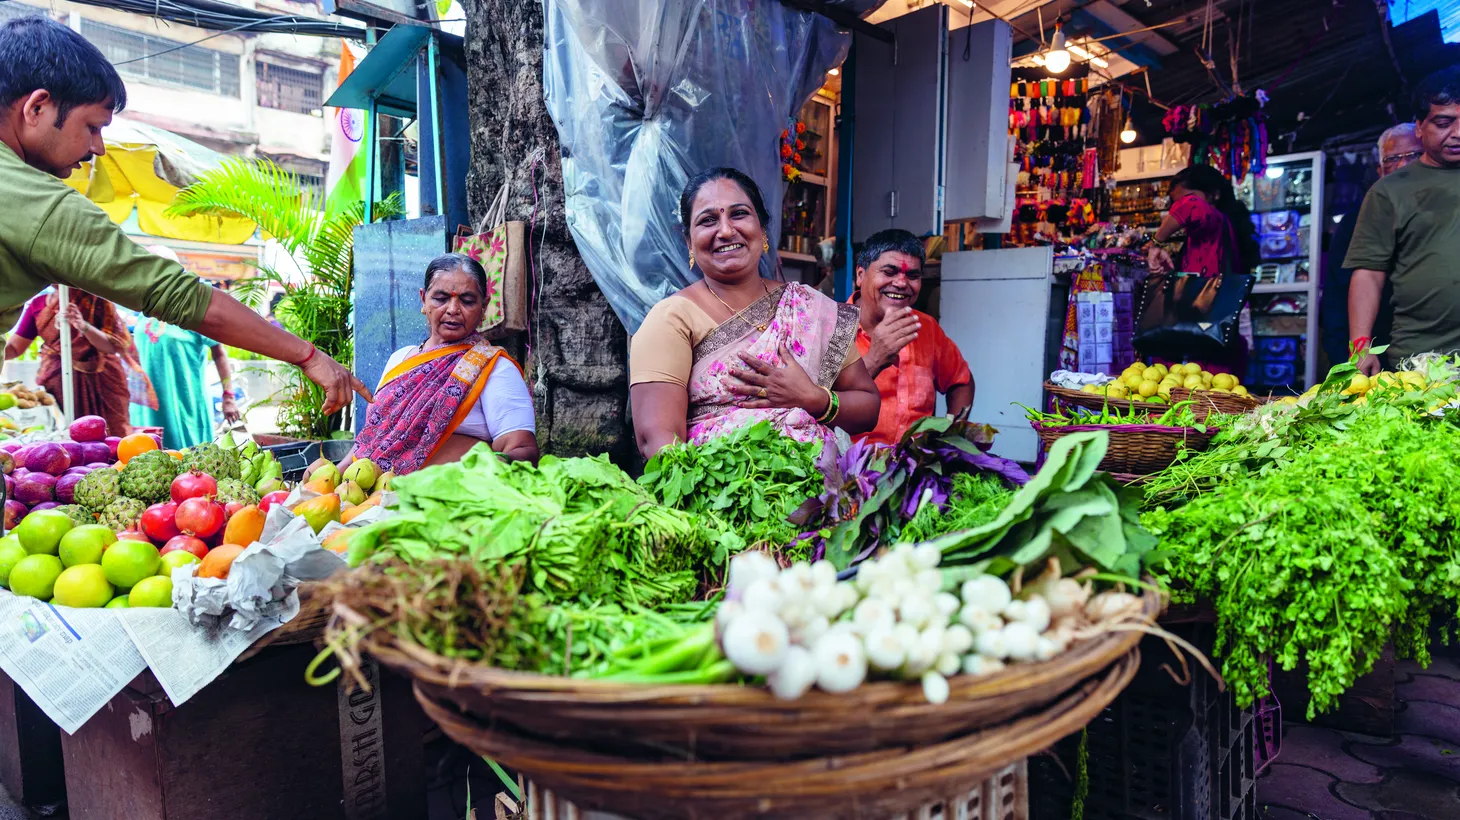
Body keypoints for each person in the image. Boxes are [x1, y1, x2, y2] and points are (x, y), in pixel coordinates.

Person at [0, 17, 368, 415]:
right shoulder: (35, 201)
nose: (99, 148)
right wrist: (307, 356)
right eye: (92, 127)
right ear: (37, 107)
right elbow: (179, 295)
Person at [630, 167, 879, 458]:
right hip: (717, 495)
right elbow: (657, 440)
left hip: (821, 494)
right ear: (689, 242)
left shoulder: (810, 308)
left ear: (762, 230)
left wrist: (813, 399)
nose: (725, 231)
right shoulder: (672, 319)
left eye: (738, 214)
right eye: (708, 220)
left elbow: (868, 407)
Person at [344, 253, 538, 474]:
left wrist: (460, 481)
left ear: (484, 306)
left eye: (467, 301)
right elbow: (375, 439)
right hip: (375, 496)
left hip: (451, 501)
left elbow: (523, 452)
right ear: (423, 300)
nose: (453, 309)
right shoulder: (399, 359)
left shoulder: (495, 368)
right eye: (440, 298)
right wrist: (335, 473)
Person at [1347, 66, 1460, 375]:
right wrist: (1360, 347)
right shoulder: (1390, 191)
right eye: (1444, 122)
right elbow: (1369, 272)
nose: (1458, 133)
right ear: (1420, 127)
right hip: (1421, 362)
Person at [851, 229, 973, 446]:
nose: (901, 283)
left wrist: (951, 433)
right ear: (861, 275)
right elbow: (816, 404)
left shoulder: (926, 328)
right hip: (849, 469)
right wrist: (874, 359)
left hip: (916, 469)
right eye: (889, 272)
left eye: (913, 275)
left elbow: (961, 382)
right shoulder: (829, 325)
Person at [1319, 124, 1421, 368]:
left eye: (1414, 156)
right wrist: (1350, 353)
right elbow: (1338, 293)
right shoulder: (1357, 220)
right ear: (1380, 169)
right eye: (1393, 159)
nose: (1403, 166)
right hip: (1373, 352)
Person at [1143, 163, 1260, 375]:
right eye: (1174, 203)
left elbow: (1192, 207)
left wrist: (1156, 243)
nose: (1178, 208)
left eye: (1187, 197)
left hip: (1204, 345)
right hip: (1205, 339)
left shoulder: (1213, 221)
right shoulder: (1208, 233)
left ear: (1214, 195)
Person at [129, 247, 241, 448]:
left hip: (185, 406)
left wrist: (228, 396)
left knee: (191, 467)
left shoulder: (191, 310)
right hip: (146, 411)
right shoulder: (141, 312)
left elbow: (219, 353)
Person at [4, 289, 148, 434]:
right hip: (57, 380)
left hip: (101, 380)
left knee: (112, 432)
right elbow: (15, 349)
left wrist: (83, 325)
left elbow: (113, 346)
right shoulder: (38, 304)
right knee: (68, 434)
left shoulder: (97, 300)